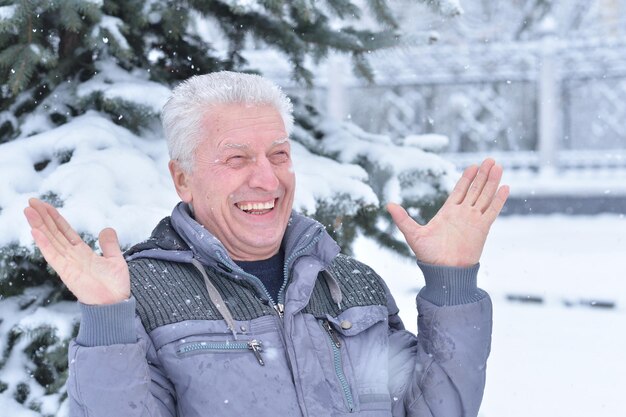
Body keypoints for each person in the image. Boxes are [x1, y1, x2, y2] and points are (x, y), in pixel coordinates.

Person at [24, 71, 509, 417]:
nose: (266, 178)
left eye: (278, 154)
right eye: (236, 159)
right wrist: (109, 320)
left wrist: (451, 284)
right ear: (182, 179)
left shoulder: (350, 283)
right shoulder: (143, 296)